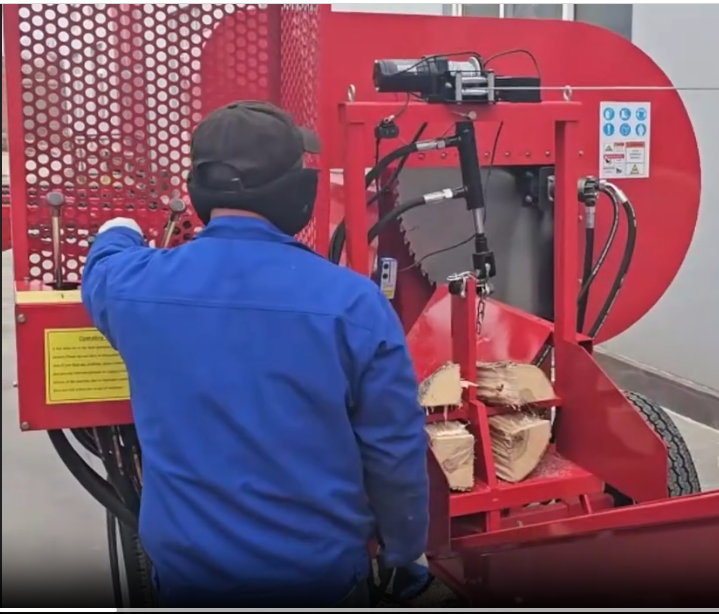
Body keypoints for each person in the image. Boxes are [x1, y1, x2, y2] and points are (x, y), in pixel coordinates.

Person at [81, 100, 431, 607]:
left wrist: (119, 227)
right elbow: (394, 448)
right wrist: (402, 550)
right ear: (295, 190)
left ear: (199, 189)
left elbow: (103, 262)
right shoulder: (354, 304)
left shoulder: (132, 288)